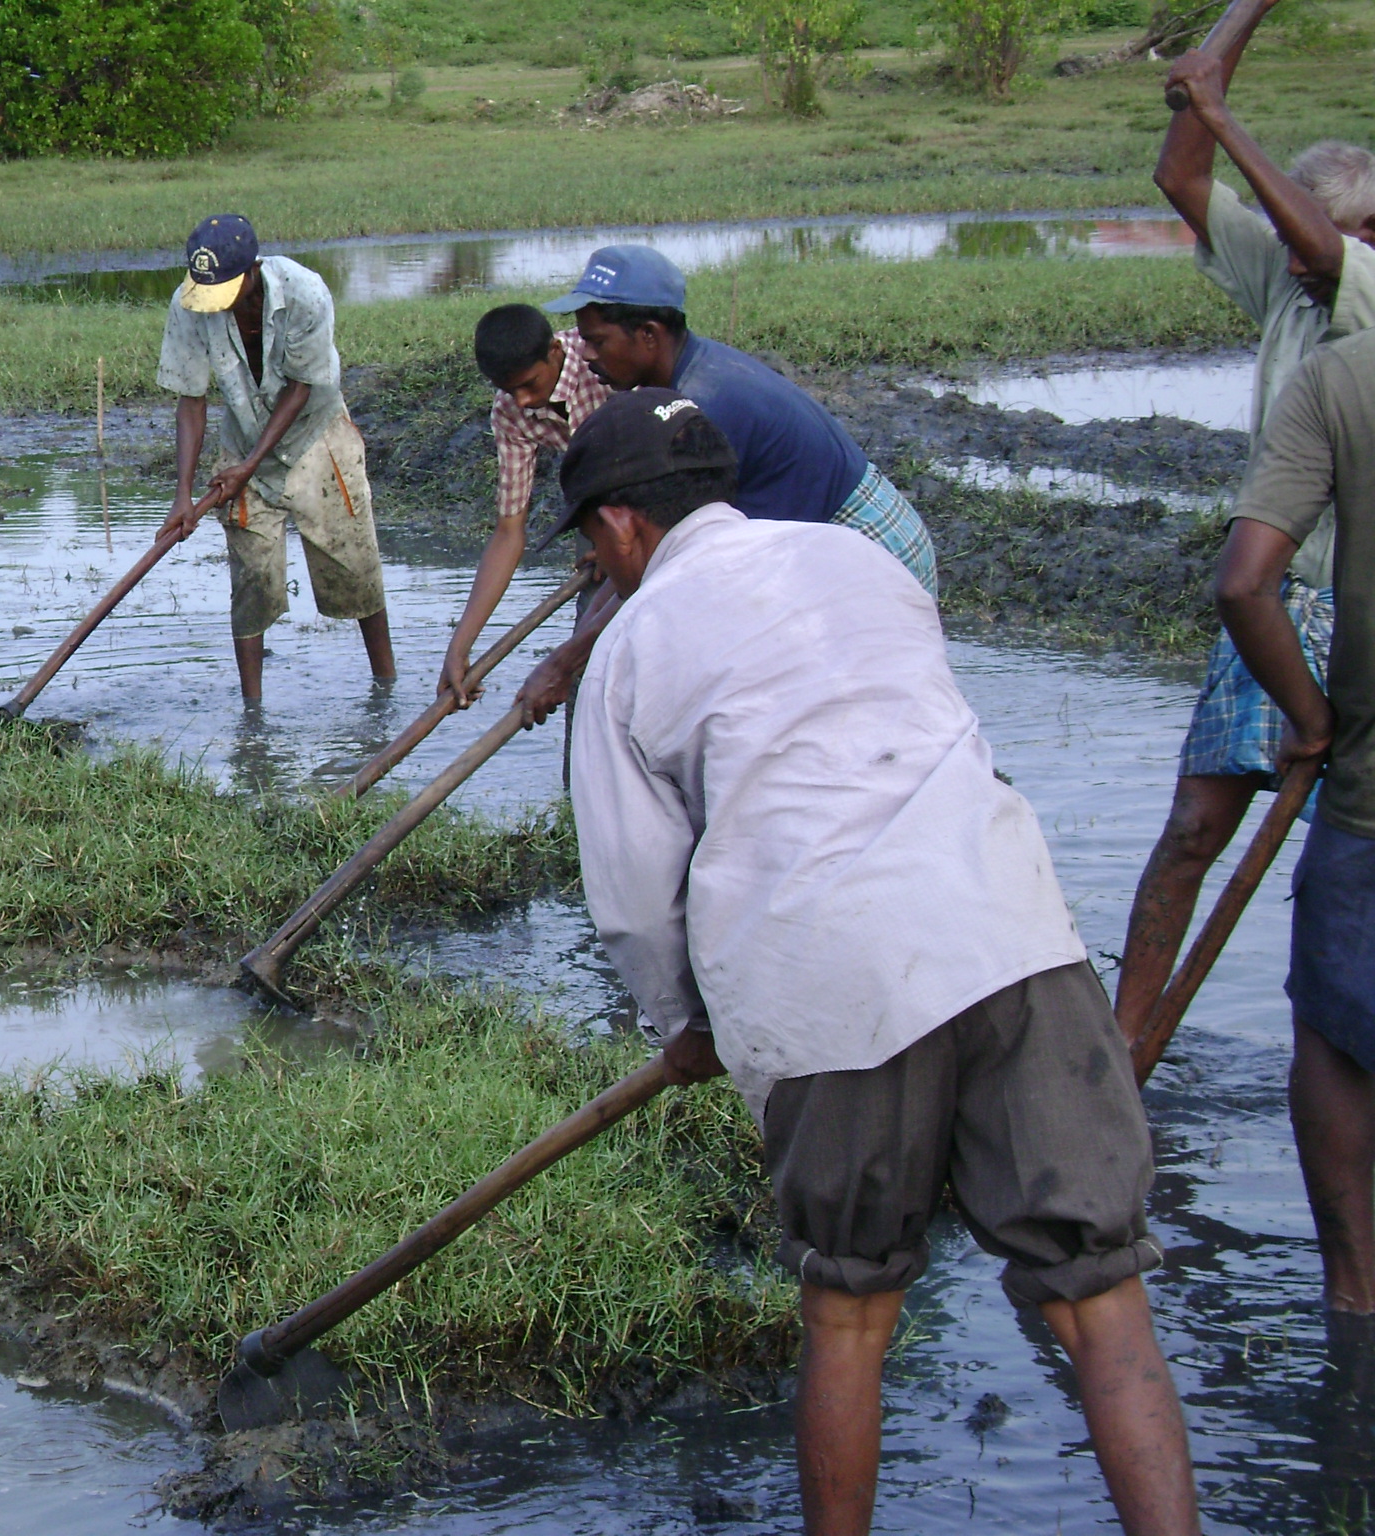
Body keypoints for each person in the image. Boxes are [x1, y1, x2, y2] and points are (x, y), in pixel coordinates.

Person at [556, 389, 1200, 1536]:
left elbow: (635, 903)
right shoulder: (860, 562)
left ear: (617, 528)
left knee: (851, 1307)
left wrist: (682, 1028)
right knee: (1099, 1291)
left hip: (823, 975)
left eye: (594, 548)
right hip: (1010, 931)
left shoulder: (628, 649)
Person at [1116, 0, 1375, 1041]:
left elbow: (1317, 246)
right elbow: (1177, 182)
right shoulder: (1286, 279)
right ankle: (1124, 1039)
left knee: (1343, 847)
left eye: (1341, 235)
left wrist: (1224, 118)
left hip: (1343, 609)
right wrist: (1234, 26)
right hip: (1272, 599)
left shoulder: (1361, 289)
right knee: (1193, 830)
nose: (1312, 250)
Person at [511, 245, 936, 728]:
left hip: (870, 547)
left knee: (873, 713)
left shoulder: (702, 410)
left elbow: (678, 564)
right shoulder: (685, 382)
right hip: (826, 541)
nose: (584, 354)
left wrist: (567, 661)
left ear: (648, 335)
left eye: (597, 341)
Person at [1214, 328, 1375, 1317]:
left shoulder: (1342, 374)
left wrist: (1309, 716)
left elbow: (1242, 581)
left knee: (1331, 1033)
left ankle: (1353, 1297)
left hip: (1362, 791)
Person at [154, 214, 394, 702]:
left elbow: (303, 387)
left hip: (316, 435)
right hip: (242, 441)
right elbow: (191, 401)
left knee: (353, 564)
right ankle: (252, 715)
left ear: (252, 272)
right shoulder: (189, 305)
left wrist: (251, 466)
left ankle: (387, 687)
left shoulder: (305, 293)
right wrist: (182, 493)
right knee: (252, 579)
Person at [437, 303, 610, 709]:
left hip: (663, 493)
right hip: (600, 507)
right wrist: (460, 646)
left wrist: (631, 533)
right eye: (509, 389)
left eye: (531, 384)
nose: (524, 400)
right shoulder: (511, 410)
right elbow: (509, 531)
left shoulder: (602, 364)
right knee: (590, 656)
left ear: (554, 351)